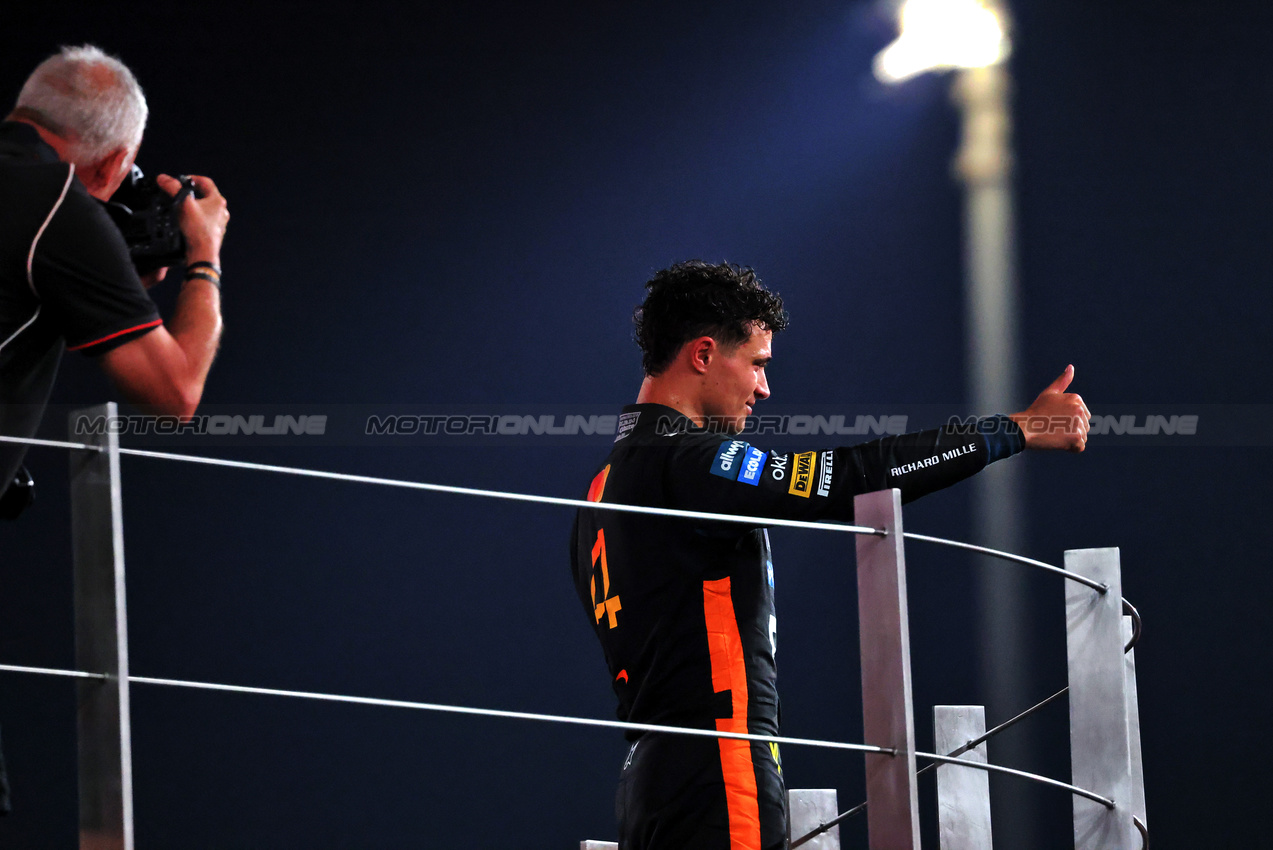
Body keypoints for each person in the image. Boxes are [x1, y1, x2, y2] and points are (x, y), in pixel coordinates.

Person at [570, 260, 1089, 850]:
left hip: (645, 785)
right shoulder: (686, 461)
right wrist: (1012, 430)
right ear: (704, 354)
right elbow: (848, 479)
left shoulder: (600, 487)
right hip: (719, 771)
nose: (765, 389)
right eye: (759, 364)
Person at [0, 44, 230, 815]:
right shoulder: (56, 202)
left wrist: (108, 279)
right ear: (115, 161)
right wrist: (202, 259)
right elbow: (174, 393)